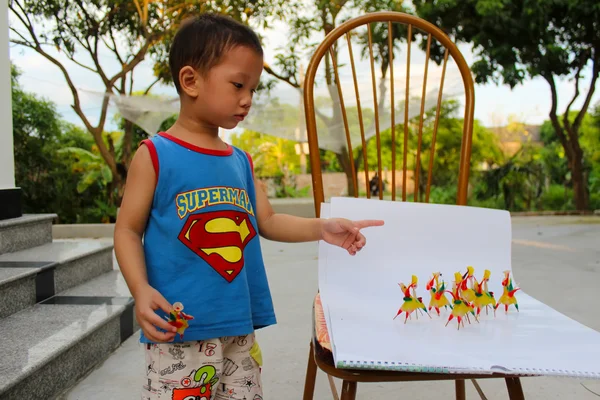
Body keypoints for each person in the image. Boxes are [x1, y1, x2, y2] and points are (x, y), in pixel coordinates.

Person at [114, 13, 384, 400]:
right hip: (178, 328)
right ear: (190, 81)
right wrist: (140, 290)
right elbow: (126, 230)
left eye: (253, 88)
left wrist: (322, 227)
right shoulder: (156, 155)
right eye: (238, 84)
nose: (247, 99)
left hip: (238, 327)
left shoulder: (240, 160)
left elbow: (268, 221)